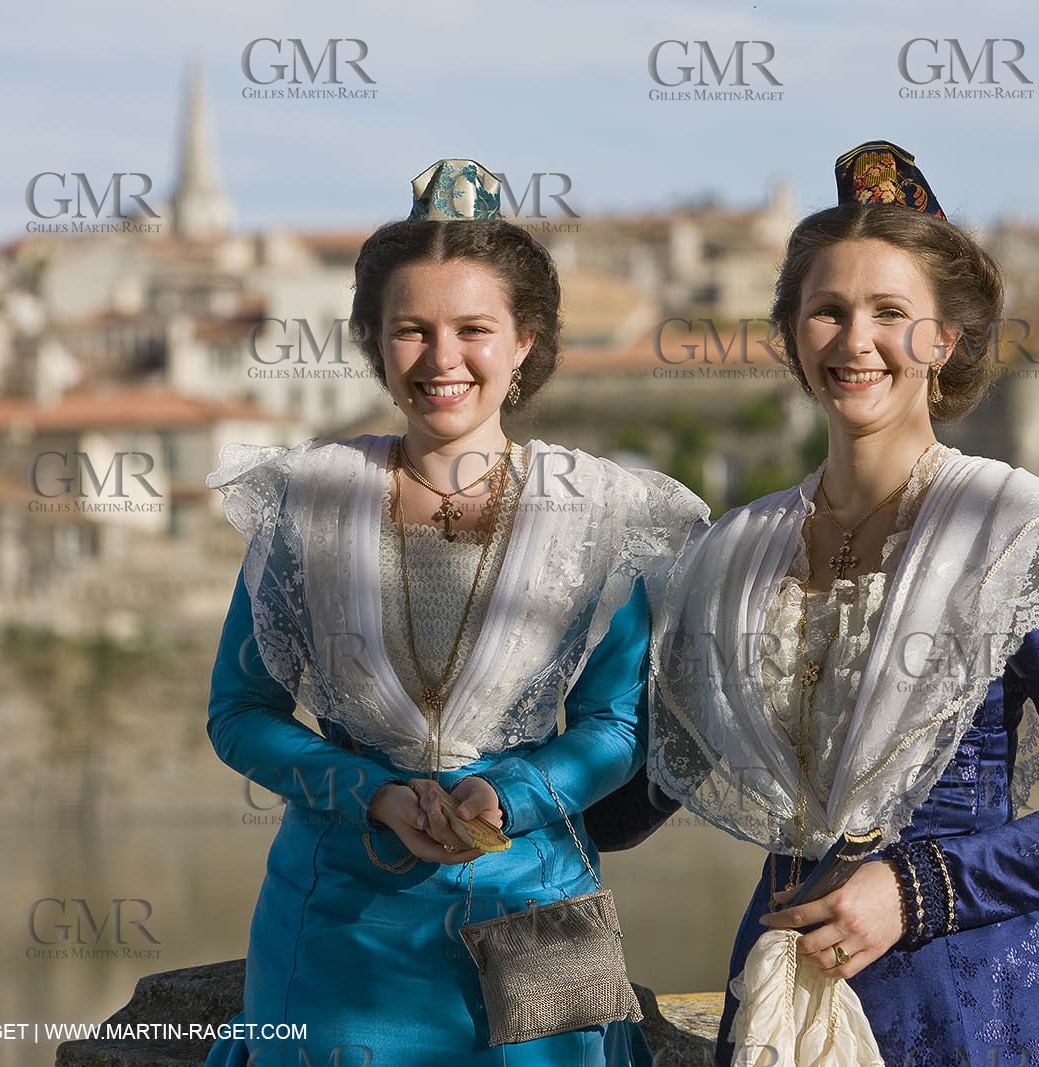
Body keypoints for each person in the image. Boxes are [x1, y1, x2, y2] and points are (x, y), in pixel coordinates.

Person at [646, 141, 1039, 1066]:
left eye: (891, 312)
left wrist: (914, 888)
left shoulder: (1017, 531)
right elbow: (644, 777)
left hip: (977, 1005)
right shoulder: (735, 551)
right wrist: (497, 793)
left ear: (945, 339)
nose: (855, 341)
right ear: (791, 332)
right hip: (778, 994)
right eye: (828, 311)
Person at [201, 159, 708, 1067]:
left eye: (473, 329)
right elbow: (239, 712)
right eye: (412, 330)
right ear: (376, 342)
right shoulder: (310, 501)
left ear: (524, 344)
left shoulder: (598, 513)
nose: (442, 360)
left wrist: (509, 795)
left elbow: (618, 724)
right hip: (339, 925)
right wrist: (375, 794)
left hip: (538, 906)